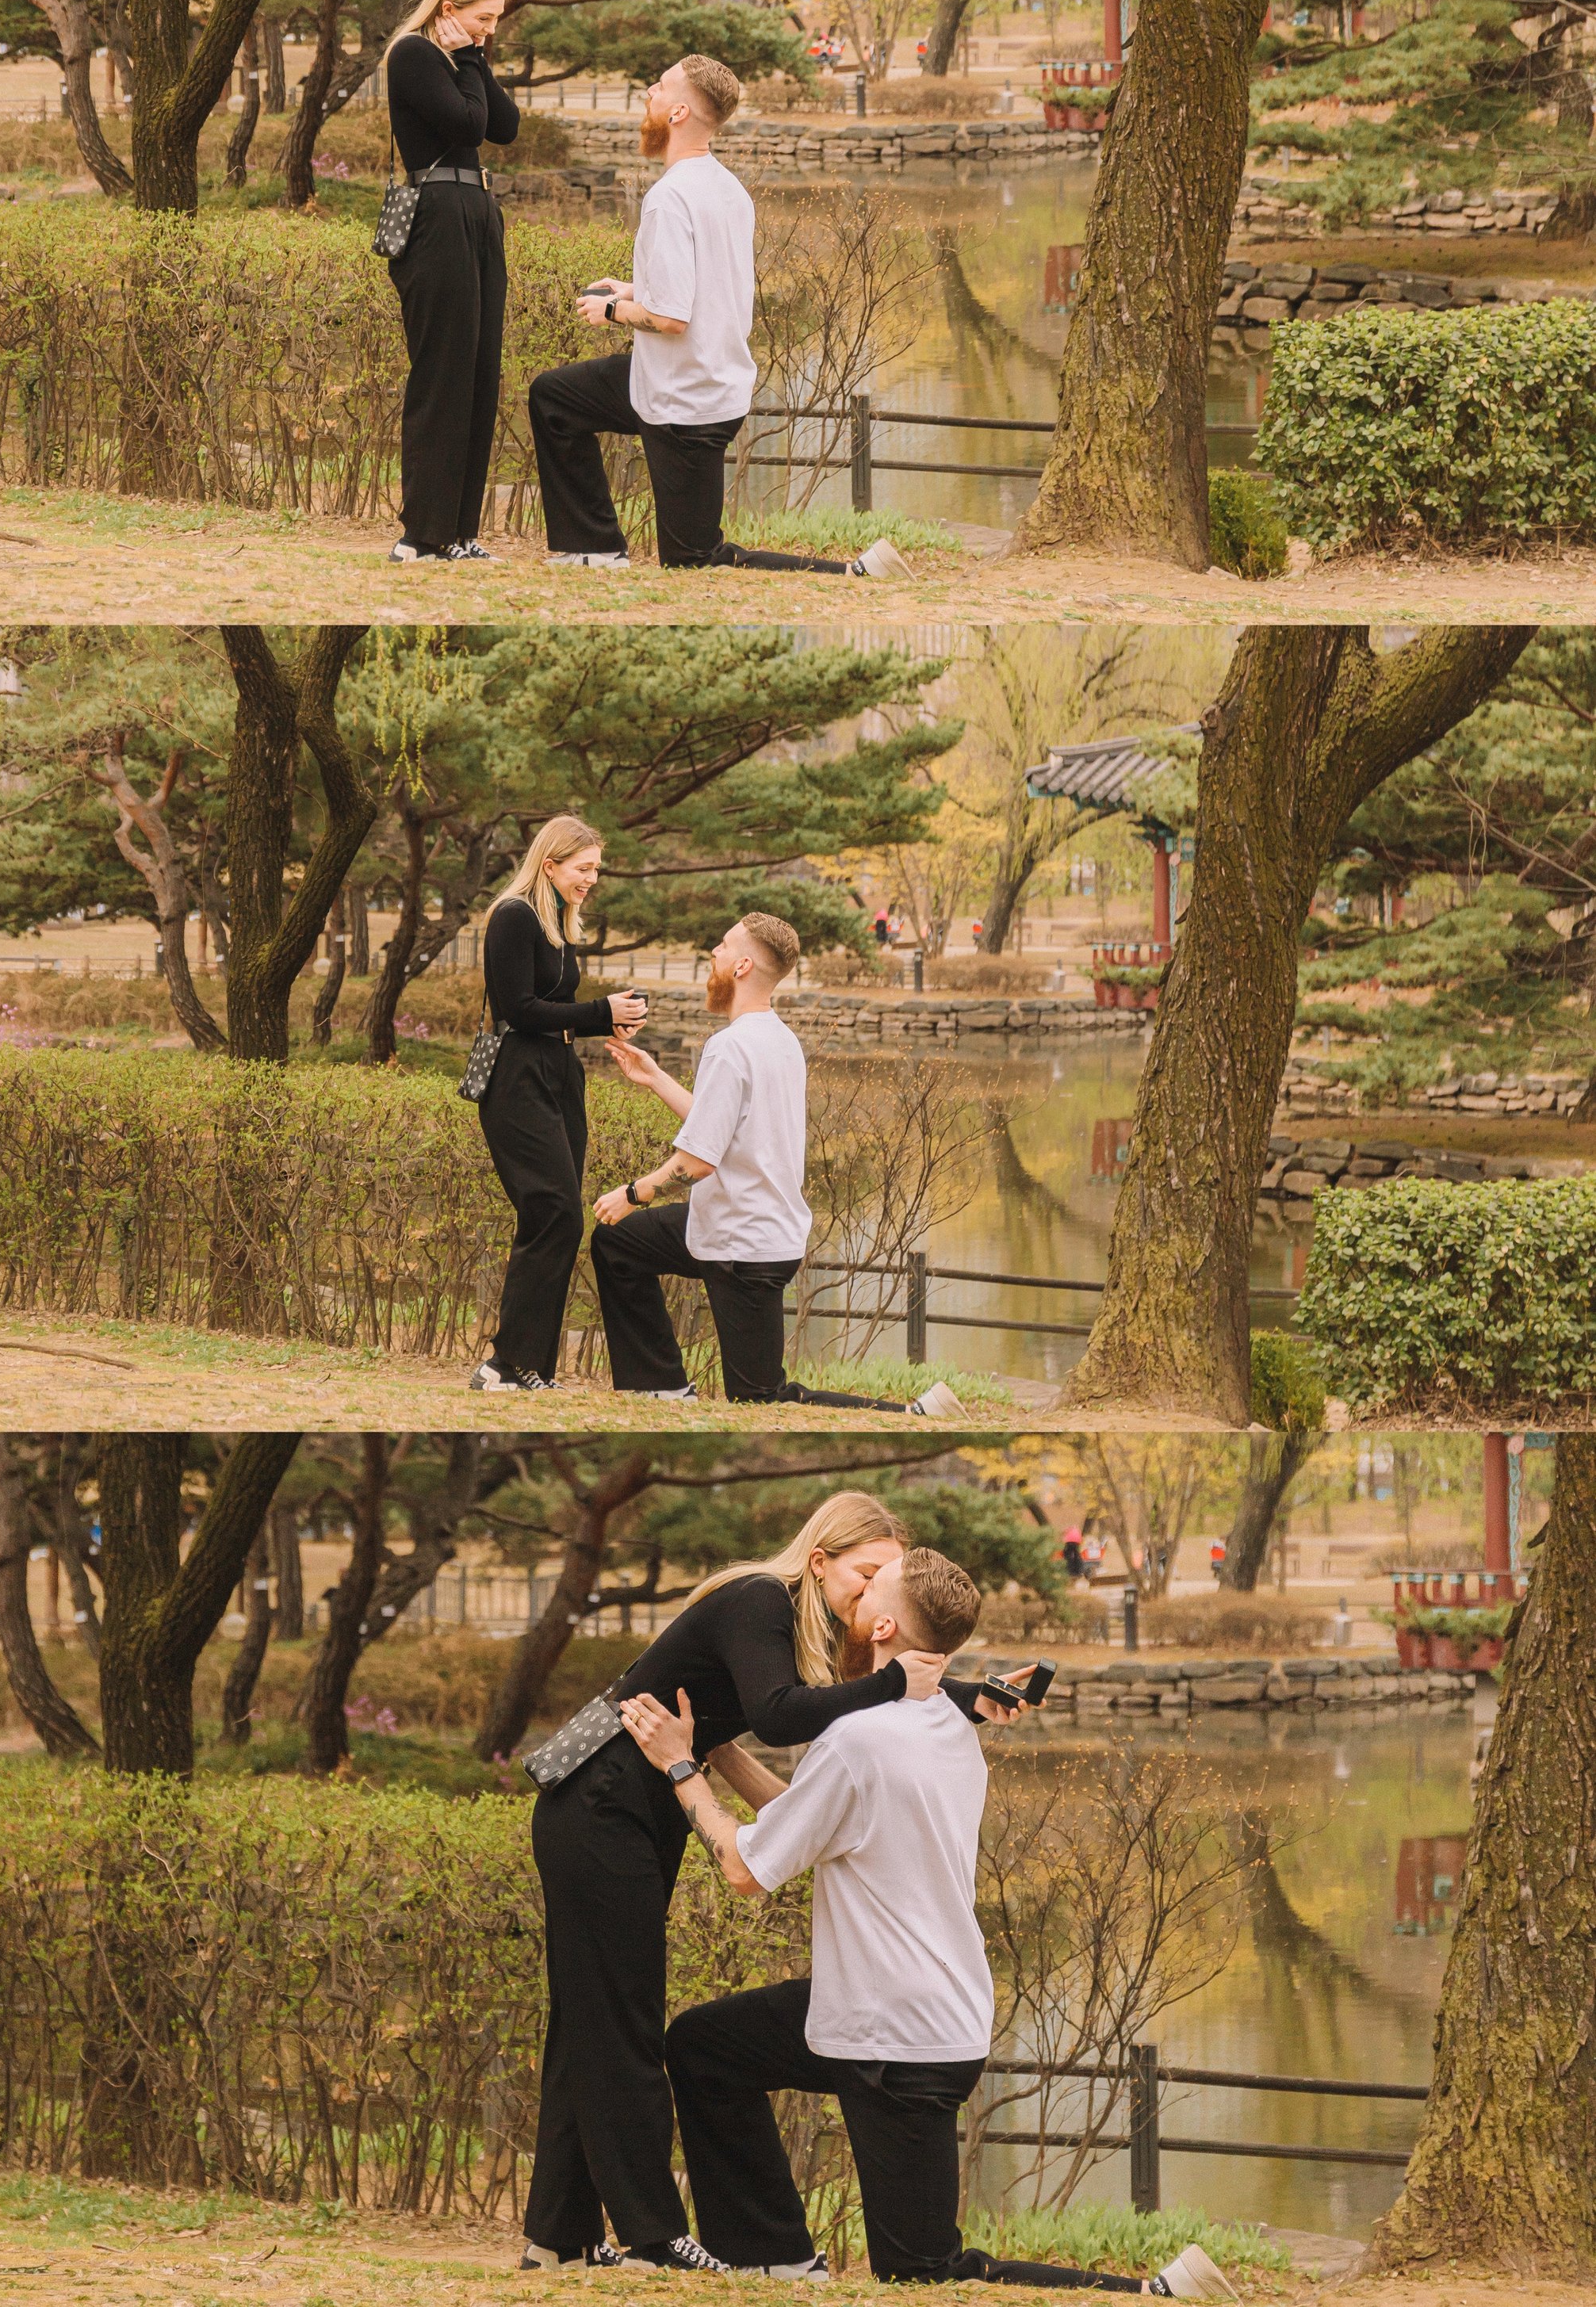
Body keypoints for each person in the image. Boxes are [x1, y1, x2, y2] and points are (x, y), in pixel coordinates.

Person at [621, 1547, 1238, 2300]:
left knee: (923, 2271)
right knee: (706, 2047)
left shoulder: (858, 1739)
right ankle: (776, 2259)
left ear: (881, 1623)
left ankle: (1149, 2295)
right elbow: (808, 1816)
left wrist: (681, 1769)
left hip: (898, 2039)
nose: (852, 1585)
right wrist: (717, 1751)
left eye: (871, 1580)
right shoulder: (943, 1720)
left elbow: (748, 1870)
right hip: (906, 2009)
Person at [520, 1494, 1030, 2274]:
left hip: (638, 1803)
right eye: (864, 1574)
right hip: (598, 1795)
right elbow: (785, 1716)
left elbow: (842, 1741)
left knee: (592, 2017)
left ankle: (556, 2235)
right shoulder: (758, 1598)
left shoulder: (807, 1627)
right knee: (621, 2020)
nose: (869, 1595)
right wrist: (907, 1682)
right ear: (819, 1557)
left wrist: (960, 1695)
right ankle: (653, 2234)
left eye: (883, 1584)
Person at [526, 53, 911, 579]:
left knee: (694, 559)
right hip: (700, 383)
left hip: (684, 402)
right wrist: (635, 286)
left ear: (680, 112)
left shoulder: (668, 199)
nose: (648, 94)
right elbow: (707, 287)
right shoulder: (728, 188)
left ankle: (854, 574)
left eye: (659, 88)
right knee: (556, 398)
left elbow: (670, 320)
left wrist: (613, 309)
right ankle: (592, 545)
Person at [588, 910, 955, 1414]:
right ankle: (661, 1385)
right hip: (737, 1226)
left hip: (746, 1248)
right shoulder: (780, 1040)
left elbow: (696, 1163)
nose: (712, 955)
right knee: (617, 1246)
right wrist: (656, 1079)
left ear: (740, 967)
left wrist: (634, 1193)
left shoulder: (730, 1047)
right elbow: (720, 1130)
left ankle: (910, 1415)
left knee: (760, 1397)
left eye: (721, 946)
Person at [469, 816, 647, 1393]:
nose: (592, 878)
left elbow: (554, 1010)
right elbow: (518, 1009)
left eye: (597, 868)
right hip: (517, 1079)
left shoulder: (558, 924)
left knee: (556, 1219)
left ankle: (531, 1368)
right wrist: (601, 1011)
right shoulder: (513, 916)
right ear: (549, 864)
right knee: (556, 1213)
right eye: (583, 867)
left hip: (560, 1074)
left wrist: (607, 1025)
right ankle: (501, 1364)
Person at [382, 0, 519, 564]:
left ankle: (461, 532)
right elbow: (468, 123)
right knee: (442, 373)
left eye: (496, 21)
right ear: (449, 9)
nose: (489, 29)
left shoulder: (466, 59)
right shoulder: (413, 55)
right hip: (436, 214)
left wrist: (476, 56)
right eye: (482, 18)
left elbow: (505, 126)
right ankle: (422, 533)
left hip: (479, 213)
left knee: (480, 374)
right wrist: (466, 59)